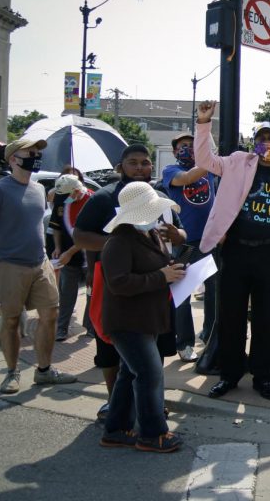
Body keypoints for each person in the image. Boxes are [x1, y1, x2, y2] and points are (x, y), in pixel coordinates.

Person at [194, 102, 270, 402]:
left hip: (269, 256)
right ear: (254, 141)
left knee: (267, 320)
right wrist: (204, 122)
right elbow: (204, 158)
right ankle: (229, 374)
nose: (267, 142)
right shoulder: (238, 162)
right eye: (261, 137)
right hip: (236, 252)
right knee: (231, 317)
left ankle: (263, 377)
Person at [75, 144, 185, 419]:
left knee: (154, 345)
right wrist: (122, 245)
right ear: (120, 167)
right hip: (114, 280)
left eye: (145, 163)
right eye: (133, 162)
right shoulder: (103, 197)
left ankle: (149, 402)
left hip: (158, 281)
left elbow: (182, 234)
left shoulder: (158, 197)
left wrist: (175, 234)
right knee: (113, 348)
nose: (140, 168)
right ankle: (117, 405)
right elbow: (80, 236)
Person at [0, 138, 77, 394]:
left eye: (38, 152)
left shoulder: (38, 188)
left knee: (50, 315)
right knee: (11, 321)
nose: (36, 156)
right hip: (8, 266)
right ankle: (12, 373)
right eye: (31, 152)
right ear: (13, 158)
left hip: (40, 263)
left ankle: (44, 371)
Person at [99, 182, 186, 453]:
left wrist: (171, 270)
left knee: (130, 373)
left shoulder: (149, 234)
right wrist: (162, 276)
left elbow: (154, 266)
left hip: (144, 318)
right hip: (127, 322)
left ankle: (116, 429)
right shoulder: (119, 240)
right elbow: (119, 283)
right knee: (148, 374)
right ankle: (151, 433)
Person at [162, 132, 216, 358]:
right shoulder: (171, 171)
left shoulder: (209, 171)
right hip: (185, 241)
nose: (188, 149)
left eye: (192, 145)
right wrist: (210, 158)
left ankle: (209, 335)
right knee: (182, 294)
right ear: (175, 152)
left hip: (211, 240)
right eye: (183, 146)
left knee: (214, 292)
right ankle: (184, 343)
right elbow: (186, 179)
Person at [49, 173, 93, 341]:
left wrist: (69, 252)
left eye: (67, 195)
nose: (63, 199)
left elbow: (90, 235)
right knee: (66, 293)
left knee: (91, 293)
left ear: (76, 191)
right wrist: (59, 247)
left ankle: (90, 327)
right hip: (68, 258)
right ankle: (62, 328)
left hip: (89, 256)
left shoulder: (93, 201)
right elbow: (56, 227)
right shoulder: (62, 199)